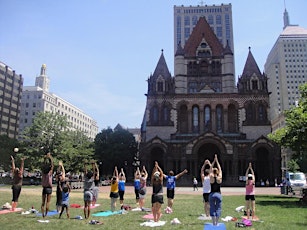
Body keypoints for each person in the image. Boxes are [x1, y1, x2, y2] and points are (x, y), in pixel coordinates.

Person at [209, 154, 222, 226]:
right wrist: (217, 161)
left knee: (212, 208)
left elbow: (210, 168)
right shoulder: (219, 178)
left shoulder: (211, 177)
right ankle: (217, 223)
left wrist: (213, 161)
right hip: (218, 194)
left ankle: (213, 222)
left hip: (211, 194)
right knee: (218, 208)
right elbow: (220, 169)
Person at [41, 152, 54, 218]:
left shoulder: (43, 173)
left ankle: (43, 214)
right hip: (49, 188)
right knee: (48, 202)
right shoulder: (50, 173)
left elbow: (43, 165)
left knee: (43, 202)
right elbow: (52, 165)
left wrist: (45, 159)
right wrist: (50, 157)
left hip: (44, 188)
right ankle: (46, 214)